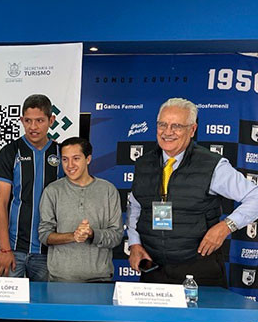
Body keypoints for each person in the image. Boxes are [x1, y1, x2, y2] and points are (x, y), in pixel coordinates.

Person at [127, 97, 258, 286]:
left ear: (192, 130)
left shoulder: (212, 165)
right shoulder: (143, 164)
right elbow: (136, 207)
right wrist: (134, 243)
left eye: (177, 126)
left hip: (199, 269)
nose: (167, 132)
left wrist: (226, 226)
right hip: (154, 270)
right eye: (162, 124)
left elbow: (254, 196)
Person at [0, 94, 63, 281]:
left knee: (45, 307)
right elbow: (1, 204)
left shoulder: (62, 154)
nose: (33, 127)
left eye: (40, 121)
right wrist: (5, 248)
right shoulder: (10, 152)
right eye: (28, 121)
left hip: (48, 251)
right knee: (6, 308)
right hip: (12, 249)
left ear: (51, 120)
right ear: (21, 120)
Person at [38, 137, 122, 282]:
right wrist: (73, 236)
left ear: (88, 159)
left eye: (76, 158)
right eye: (65, 159)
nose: (70, 165)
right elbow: (45, 235)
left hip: (99, 280)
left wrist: (92, 234)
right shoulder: (52, 191)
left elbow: (116, 236)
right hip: (60, 280)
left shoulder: (108, 190)